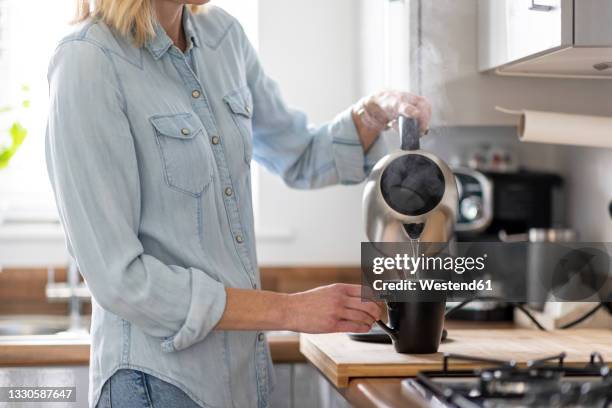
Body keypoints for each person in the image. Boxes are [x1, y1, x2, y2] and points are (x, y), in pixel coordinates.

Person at [45, 1, 432, 407]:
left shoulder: (223, 36)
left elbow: (298, 155)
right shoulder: (86, 61)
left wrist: (374, 112)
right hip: (154, 386)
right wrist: (290, 310)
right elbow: (120, 280)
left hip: (244, 381)